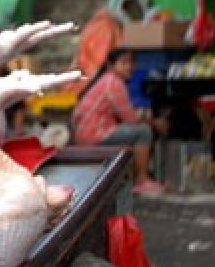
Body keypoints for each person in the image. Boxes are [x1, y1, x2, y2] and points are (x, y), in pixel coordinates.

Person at [71, 47, 168, 194]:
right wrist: (155, 123)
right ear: (112, 65)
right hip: (95, 134)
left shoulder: (106, 80)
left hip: (85, 133)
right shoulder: (114, 83)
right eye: (124, 62)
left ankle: (136, 177)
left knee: (138, 130)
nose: (130, 67)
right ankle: (142, 180)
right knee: (143, 132)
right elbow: (132, 119)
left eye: (131, 62)